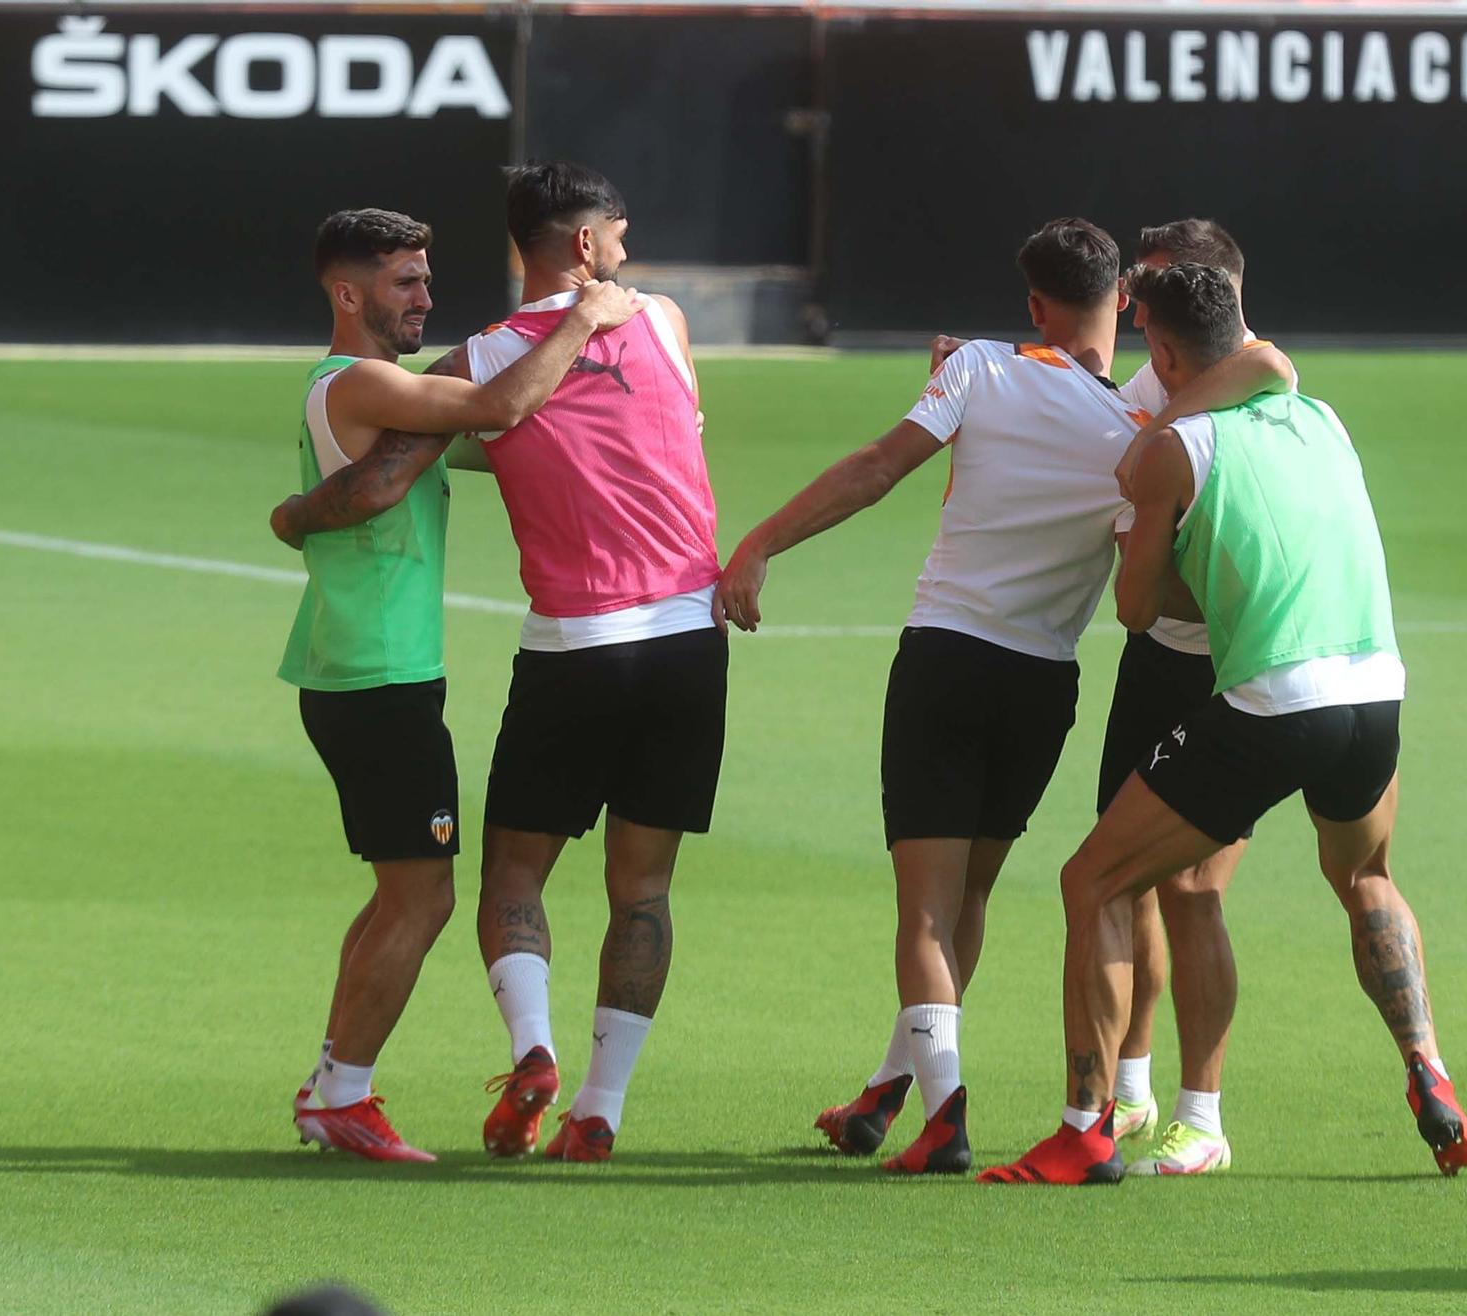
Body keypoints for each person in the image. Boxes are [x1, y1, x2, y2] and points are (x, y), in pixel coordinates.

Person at [716, 219, 1291, 1175]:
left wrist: (762, 542)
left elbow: (875, 469)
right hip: (1045, 685)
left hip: (948, 657)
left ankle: (943, 1115)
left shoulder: (982, 369)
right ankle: (894, 1090)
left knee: (925, 913)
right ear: (1125, 306)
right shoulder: (1142, 437)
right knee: (971, 893)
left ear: (1033, 304)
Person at [979, 263, 1467, 1186]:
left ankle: (1086, 1129)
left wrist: (1144, 525)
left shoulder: (1178, 451)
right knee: (1366, 877)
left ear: (1164, 355)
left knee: (1092, 880)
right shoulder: (1322, 419)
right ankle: (1430, 1071)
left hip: (1275, 701)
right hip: (1374, 688)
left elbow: (1137, 614)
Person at [274, 207, 641, 1163]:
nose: (425, 298)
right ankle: (342, 1098)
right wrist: (583, 321)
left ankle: (331, 1081)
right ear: (348, 294)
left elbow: (482, 441)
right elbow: (490, 412)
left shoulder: (365, 390)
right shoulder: (363, 382)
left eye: (428, 279)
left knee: (397, 890)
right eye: (404, 282)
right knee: (424, 900)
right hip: (378, 676)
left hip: (362, 670)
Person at [454, 162, 724, 1165]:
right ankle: (600, 1105)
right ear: (582, 245)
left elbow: (439, 432)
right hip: (688, 641)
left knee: (513, 874)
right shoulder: (662, 320)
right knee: (642, 888)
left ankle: (532, 1050)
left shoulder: (480, 358)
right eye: (616, 233)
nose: (626, 250)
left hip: (573, 646)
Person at [1101, 219, 1285, 1174]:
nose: (1137, 302)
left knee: (1191, 888)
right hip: (1155, 665)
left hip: (1229, 671)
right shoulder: (1148, 380)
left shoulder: (1258, 377)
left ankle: (1202, 1114)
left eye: (1157, 285)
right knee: (1121, 872)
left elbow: (1273, 367)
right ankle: (1128, 1091)